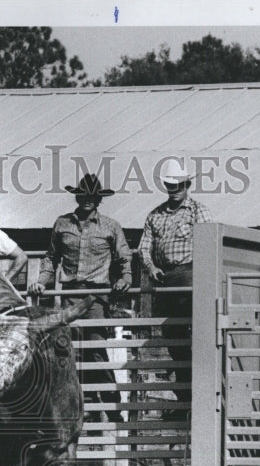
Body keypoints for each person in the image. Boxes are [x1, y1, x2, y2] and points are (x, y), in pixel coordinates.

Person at [29, 174, 131, 424]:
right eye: (83, 195)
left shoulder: (110, 226)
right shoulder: (62, 224)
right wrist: (41, 282)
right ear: (77, 197)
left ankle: (111, 405)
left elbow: (124, 258)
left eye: (92, 197)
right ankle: (72, 407)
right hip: (69, 295)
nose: (87, 200)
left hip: (96, 296)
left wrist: (126, 277)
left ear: (98, 199)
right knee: (67, 350)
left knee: (96, 348)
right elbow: (51, 258)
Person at [136, 158, 213, 401]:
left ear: (187, 184)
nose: (175, 190)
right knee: (172, 331)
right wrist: (150, 267)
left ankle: (200, 383)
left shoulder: (198, 210)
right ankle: (185, 387)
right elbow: (143, 248)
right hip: (165, 278)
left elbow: (208, 244)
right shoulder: (154, 215)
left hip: (190, 275)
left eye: (178, 185)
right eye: (171, 186)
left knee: (196, 328)